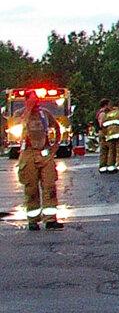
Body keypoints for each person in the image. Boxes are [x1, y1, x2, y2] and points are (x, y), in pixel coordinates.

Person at [17, 90, 63, 230]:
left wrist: (54, 147)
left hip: (44, 153)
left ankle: (50, 219)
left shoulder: (44, 114)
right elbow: (18, 125)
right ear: (26, 101)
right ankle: (33, 219)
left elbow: (57, 128)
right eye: (33, 100)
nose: (36, 103)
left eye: (37, 100)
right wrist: (29, 109)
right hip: (28, 154)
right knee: (31, 188)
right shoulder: (20, 114)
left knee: (49, 185)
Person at [100, 100, 119, 173]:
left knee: (111, 151)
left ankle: (110, 167)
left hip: (110, 136)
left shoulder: (108, 115)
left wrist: (107, 134)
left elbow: (103, 126)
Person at [95, 99, 110, 173]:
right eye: (109, 104)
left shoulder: (99, 112)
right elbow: (102, 124)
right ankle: (103, 166)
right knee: (105, 150)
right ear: (105, 105)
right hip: (104, 133)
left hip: (102, 132)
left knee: (104, 150)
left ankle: (103, 166)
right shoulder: (103, 114)